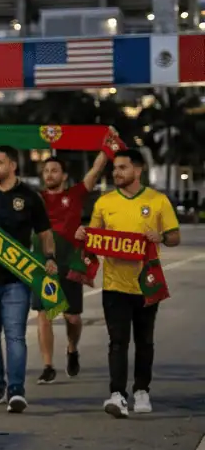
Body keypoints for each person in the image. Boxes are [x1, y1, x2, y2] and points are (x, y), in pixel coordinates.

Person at [77, 149, 181, 418]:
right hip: (114, 285)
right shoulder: (104, 202)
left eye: (122, 168)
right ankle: (117, 394)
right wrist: (83, 234)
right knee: (117, 341)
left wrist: (160, 237)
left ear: (138, 170)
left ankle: (142, 390)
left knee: (145, 341)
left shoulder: (157, 201)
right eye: (114, 168)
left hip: (146, 283)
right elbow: (94, 237)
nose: (116, 173)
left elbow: (174, 237)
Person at [0, 145, 56, 414]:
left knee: (15, 336)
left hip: (17, 279)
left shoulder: (29, 196)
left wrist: (49, 257)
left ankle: (16, 390)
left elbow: (44, 232)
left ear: (13, 165)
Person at [35, 151, 109, 384]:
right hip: (42, 263)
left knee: (73, 318)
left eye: (54, 170)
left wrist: (107, 146)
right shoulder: (36, 199)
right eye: (46, 171)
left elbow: (96, 170)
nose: (49, 174)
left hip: (71, 263)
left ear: (64, 176)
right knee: (44, 314)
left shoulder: (75, 194)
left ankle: (72, 348)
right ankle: (48, 365)